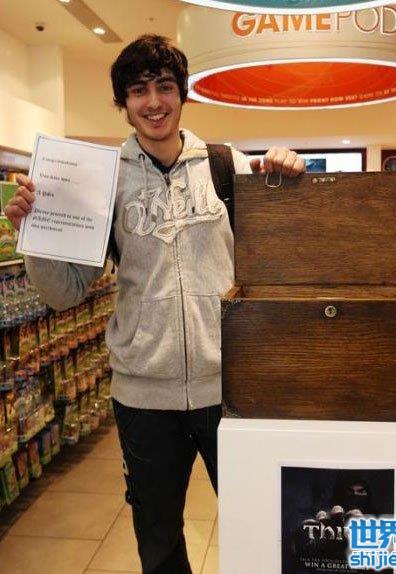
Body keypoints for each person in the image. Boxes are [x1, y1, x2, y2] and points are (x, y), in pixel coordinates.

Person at [5, 35, 305, 573]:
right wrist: (37, 236)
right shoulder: (102, 183)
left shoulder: (227, 166)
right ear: (123, 103)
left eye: (165, 87)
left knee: (259, 527)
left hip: (229, 389)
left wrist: (289, 173)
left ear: (182, 94)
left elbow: (287, 256)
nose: (154, 102)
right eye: (138, 90)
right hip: (143, 398)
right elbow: (64, 291)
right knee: (159, 540)